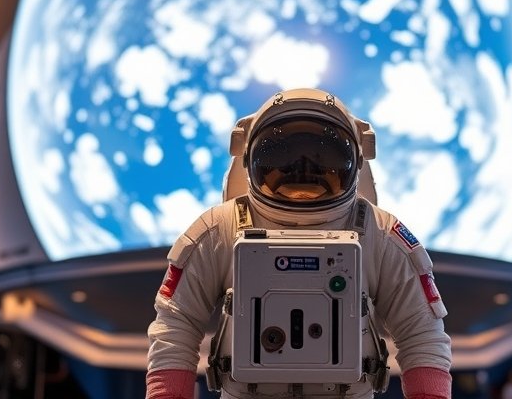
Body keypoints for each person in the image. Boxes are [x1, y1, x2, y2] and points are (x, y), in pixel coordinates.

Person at [146, 88, 453, 398]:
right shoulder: (220, 229)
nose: (303, 171)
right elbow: (177, 326)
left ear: (355, 162)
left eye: (323, 160)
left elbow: (421, 333)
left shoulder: (379, 232)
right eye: (282, 158)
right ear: (250, 160)